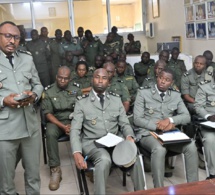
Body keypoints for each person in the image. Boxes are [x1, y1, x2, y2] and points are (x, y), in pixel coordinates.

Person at [71, 68, 145, 195]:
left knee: (134, 157)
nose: (100, 81)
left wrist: (129, 136)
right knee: (104, 159)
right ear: (92, 80)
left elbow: (125, 123)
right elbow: (75, 130)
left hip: (115, 140)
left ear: (108, 82)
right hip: (92, 143)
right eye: (97, 77)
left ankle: (142, 192)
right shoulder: (82, 102)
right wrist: (77, 152)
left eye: (104, 78)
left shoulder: (116, 100)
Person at [133, 68, 199, 188]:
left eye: (167, 80)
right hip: (148, 133)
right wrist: (158, 126)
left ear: (172, 82)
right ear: (157, 77)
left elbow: (186, 116)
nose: (163, 82)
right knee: (159, 149)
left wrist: (170, 120)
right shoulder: (143, 93)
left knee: (191, 146)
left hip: (169, 134)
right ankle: (159, 189)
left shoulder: (175, 95)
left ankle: (193, 187)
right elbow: (137, 119)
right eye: (161, 78)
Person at [0, 21, 43, 194]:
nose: (12, 41)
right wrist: (3, 100)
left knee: (33, 176)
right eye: (7, 36)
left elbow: (38, 84)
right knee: (6, 181)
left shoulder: (26, 58)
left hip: (30, 126)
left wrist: (33, 95)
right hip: (5, 130)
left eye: (16, 37)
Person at [42, 66, 81, 191]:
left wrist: (74, 125)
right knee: (50, 132)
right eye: (60, 78)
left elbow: (82, 110)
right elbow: (48, 114)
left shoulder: (76, 89)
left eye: (65, 79)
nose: (62, 81)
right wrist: (64, 127)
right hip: (57, 122)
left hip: (74, 120)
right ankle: (55, 169)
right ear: (56, 77)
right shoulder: (48, 91)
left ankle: (86, 163)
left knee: (88, 129)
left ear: (70, 79)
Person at [194, 69, 215, 179]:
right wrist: (208, 116)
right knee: (210, 140)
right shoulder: (204, 87)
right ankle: (213, 174)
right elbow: (198, 106)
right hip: (210, 123)